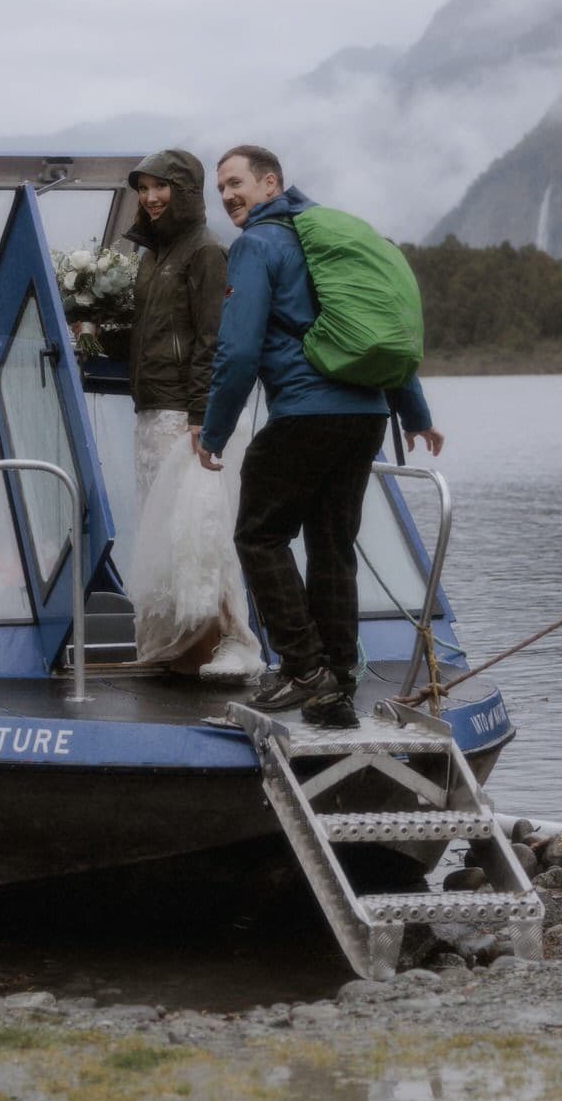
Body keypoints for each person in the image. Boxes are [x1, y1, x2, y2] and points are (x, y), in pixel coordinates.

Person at [194, 145, 442, 728]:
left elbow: (238, 350)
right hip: (365, 419)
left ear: (270, 183)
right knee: (332, 546)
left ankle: (303, 667)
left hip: (304, 413)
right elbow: (382, 334)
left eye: (236, 183)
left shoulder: (257, 245)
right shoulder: (330, 244)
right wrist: (414, 413)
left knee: (260, 536)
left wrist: (215, 430)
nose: (228, 195)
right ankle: (336, 684)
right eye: (221, 189)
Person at [124, 149, 262, 679]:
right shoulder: (154, 253)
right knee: (162, 538)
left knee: (202, 534)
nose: (151, 198)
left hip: (187, 419)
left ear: (185, 191)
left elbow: (213, 338)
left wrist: (204, 416)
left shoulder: (205, 251)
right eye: (143, 188)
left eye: (161, 188)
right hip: (150, 413)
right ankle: (176, 647)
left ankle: (236, 640)